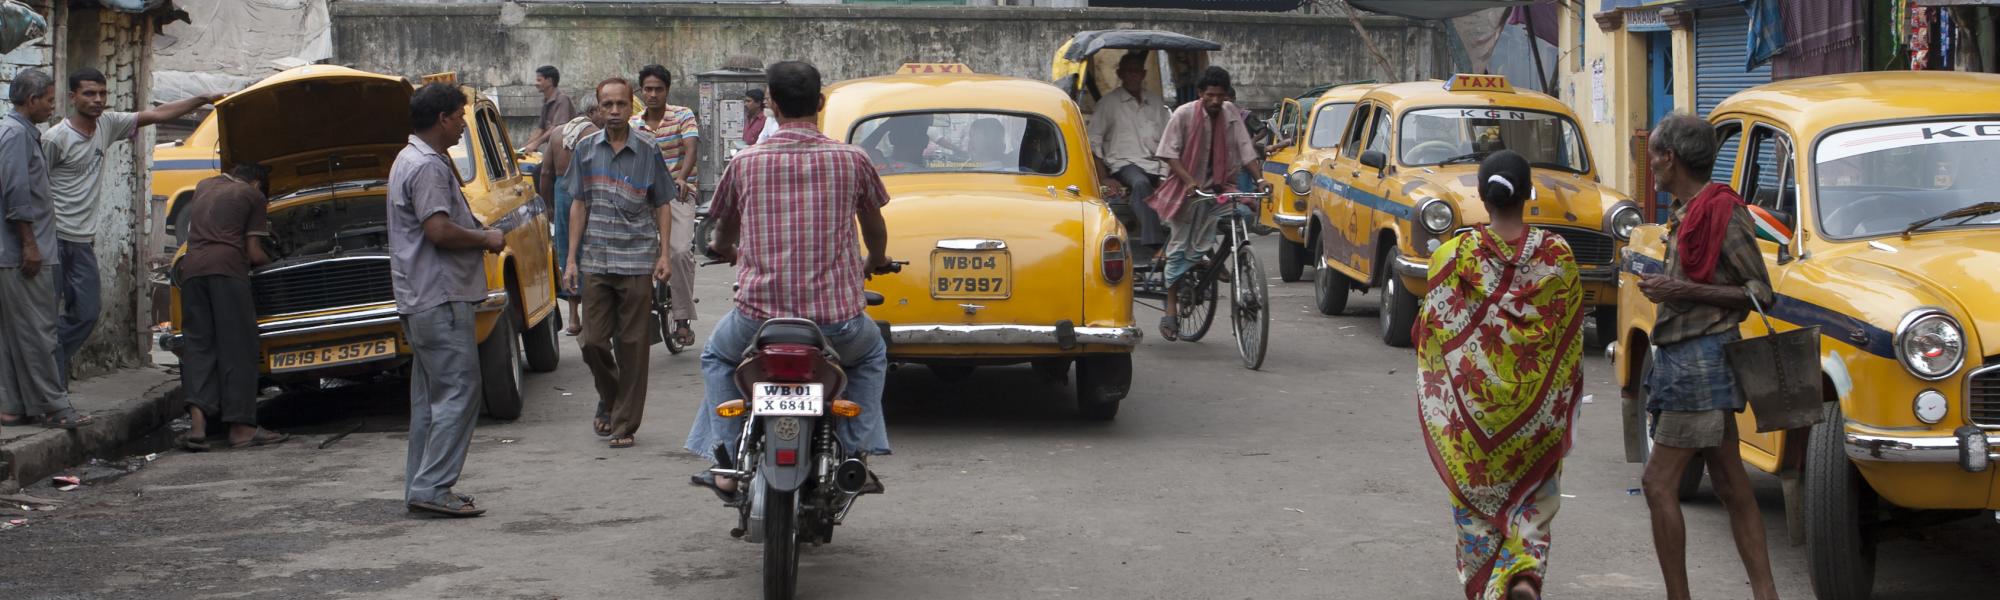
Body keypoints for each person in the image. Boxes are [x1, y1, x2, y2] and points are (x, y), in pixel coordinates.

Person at [685, 61, 893, 503]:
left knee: (719, 357)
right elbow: (874, 226)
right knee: (871, 353)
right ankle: (856, 453)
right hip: (835, 322)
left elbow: (722, 231)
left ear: (772, 105)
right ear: (820, 103)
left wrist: (725, 249)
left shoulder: (745, 162)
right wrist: (875, 259)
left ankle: (724, 459)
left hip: (758, 319)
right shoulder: (853, 159)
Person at [1414, 151, 1582, 600]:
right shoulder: (1558, 254)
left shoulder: (1453, 256)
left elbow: (1432, 331)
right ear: (1529, 193)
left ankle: (1492, 584)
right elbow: (1571, 335)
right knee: (1533, 504)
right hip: (1537, 417)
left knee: (1476, 512)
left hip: (1475, 421)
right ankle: (1524, 574)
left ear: (1482, 199)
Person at [1637, 113, 1780, 600]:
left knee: (1658, 484)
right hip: (1692, 357)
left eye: (1654, 153)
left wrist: (1678, 287)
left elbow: (1760, 291)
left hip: (1700, 360)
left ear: (1670, 158)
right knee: (1730, 483)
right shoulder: (1689, 211)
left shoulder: (1722, 211)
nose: (1650, 163)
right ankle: (1766, 593)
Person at [46, 68, 222, 383]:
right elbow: (34, 187)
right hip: (52, 240)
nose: (97, 100)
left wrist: (201, 99)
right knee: (44, 318)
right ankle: (47, 383)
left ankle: (48, 366)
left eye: (102, 93)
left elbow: (158, 114)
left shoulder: (108, 125)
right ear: (72, 97)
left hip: (82, 242)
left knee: (86, 312)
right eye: (89, 93)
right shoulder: (56, 138)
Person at [389, 83, 506, 518]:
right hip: (439, 296)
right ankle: (433, 487)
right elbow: (438, 230)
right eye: (459, 116)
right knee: (459, 391)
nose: (462, 124)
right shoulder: (428, 167)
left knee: (431, 400)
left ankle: (422, 485)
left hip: (421, 297)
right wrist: (486, 238)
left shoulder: (411, 159)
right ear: (442, 118)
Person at [566, 78, 676, 449]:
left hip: (637, 259)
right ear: (597, 108)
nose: (614, 111)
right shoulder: (584, 150)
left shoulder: (648, 149)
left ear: (633, 107)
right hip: (596, 258)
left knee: (632, 345)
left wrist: (664, 254)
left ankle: (624, 424)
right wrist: (570, 260)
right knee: (593, 342)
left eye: (621, 105)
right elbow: (578, 204)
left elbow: (662, 202)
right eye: (607, 105)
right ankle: (612, 399)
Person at [0, 69, 94, 430]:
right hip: (24, 252)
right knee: (40, 331)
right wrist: (30, 244)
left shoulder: (22, 133)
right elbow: (16, 193)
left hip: (18, 252)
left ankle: (12, 407)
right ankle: (56, 407)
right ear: (31, 99)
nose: (53, 106)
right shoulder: (14, 134)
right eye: (50, 99)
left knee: (16, 333)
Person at [1148, 65, 1265, 342]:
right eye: (1210, 95)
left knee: (1243, 215)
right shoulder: (1183, 114)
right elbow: (1168, 153)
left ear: (1227, 96)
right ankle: (1171, 309)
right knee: (1178, 251)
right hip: (1186, 189)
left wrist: (1260, 181)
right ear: (1201, 93)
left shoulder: (1230, 114)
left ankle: (1215, 257)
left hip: (1220, 187)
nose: (1215, 101)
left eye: (1221, 96)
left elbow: (1246, 151)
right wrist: (1189, 180)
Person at [175, 163, 287, 451]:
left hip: (192, 270)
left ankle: (197, 428)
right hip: (227, 270)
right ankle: (241, 429)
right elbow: (253, 253)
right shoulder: (253, 196)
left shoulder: (203, 186)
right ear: (257, 185)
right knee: (237, 345)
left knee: (198, 345)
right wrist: (279, 265)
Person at [631, 64, 700, 349]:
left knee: (680, 250)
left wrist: (682, 178)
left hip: (677, 192)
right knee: (635, 253)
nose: (653, 94)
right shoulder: (634, 123)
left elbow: (692, 147)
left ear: (667, 90)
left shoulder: (683, 115)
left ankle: (682, 318)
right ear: (641, 91)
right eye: (648, 89)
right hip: (643, 196)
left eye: (658, 89)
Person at [1086, 52, 1171, 261]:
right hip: (1125, 164)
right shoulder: (1109, 103)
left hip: (1155, 163)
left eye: (1137, 71)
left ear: (1143, 74)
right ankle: (1156, 244)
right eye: (1129, 71)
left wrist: (1165, 174)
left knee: (1186, 191)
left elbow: (1167, 140)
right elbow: (1093, 141)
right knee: (1140, 184)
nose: (1133, 76)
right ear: (1120, 74)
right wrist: (1104, 176)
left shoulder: (1155, 102)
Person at [546, 93, 604, 338]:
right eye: (603, 108)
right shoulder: (594, 134)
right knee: (592, 250)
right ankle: (592, 316)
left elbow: (545, 173)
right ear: (592, 111)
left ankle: (573, 317)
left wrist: (548, 204)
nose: (608, 114)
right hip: (588, 193)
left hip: (561, 193)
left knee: (568, 253)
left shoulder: (557, 133)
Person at [518, 65, 574, 206]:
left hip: (566, 154)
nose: (536, 83)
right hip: (554, 151)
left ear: (549, 81)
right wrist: (524, 147)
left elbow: (557, 128)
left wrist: (536, 144)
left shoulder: (562, 100)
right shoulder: (546, 102)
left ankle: (549, 209)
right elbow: (540, 129)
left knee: (541, 172)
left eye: (539, 80)